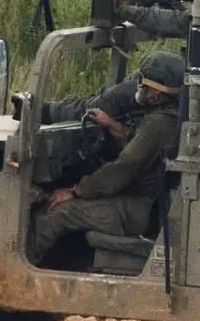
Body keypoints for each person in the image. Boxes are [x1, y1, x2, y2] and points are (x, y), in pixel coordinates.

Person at [27, 50, 184, 265]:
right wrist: (113, 126)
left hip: (134, 207)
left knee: (54, 213)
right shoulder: (169, 117)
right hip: (145, 202)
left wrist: (75, 191)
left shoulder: (156, 125)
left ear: (159, 93)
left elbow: (122, 169)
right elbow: (142, 149)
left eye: (144, 83)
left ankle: (15, 276)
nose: (139, 87)